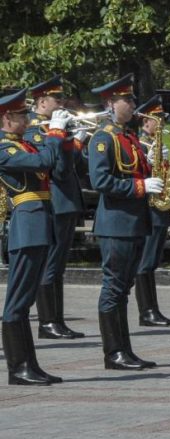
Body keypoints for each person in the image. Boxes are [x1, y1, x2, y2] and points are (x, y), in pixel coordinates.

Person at [88, 74, 161, 370]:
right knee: (113, 287)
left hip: (133, 221)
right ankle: (113, 352)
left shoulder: (127, 136)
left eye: (132, 99)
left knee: (123, 289)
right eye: (126, 100)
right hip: (116, 223)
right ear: (110, 103)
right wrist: (141, 186)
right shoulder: (103, 138)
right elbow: (101, 181)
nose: (132, 104)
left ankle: (124, 350)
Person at [0, 89, 67, 385]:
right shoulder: (5, 148)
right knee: (17, 300)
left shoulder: (23, 144)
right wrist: (55, 132)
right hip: (27, 226)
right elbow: (43, 163)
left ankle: (30, 364)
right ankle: (18, 368)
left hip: (40, 223)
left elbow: (55, 164)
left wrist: (63, 138)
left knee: (25, 300)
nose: (27, 120)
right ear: (6, 118)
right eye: (21, 115)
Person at [25, 76, 85, 340]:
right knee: (50, 264)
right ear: (41, 101)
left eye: (62, 98)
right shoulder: (35, 130)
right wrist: (69, 141)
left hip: (66, 201)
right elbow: (57, 169)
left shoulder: (53, 128)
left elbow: (75, 166)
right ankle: (47, 322)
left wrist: (74, 141)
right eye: (56, 99)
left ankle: (57, 320)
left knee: (58, 265)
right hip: (54, 201)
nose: (62, 103)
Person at [135, 95, 170, 327]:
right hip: (149, 209)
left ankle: (152, 309)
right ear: (146, 122)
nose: (163, 123)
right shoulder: (140, 145)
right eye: (158, 119)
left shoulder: (157, 144)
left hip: (160, 209)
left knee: (152, 261)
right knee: (146, 262)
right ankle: (147, 311)